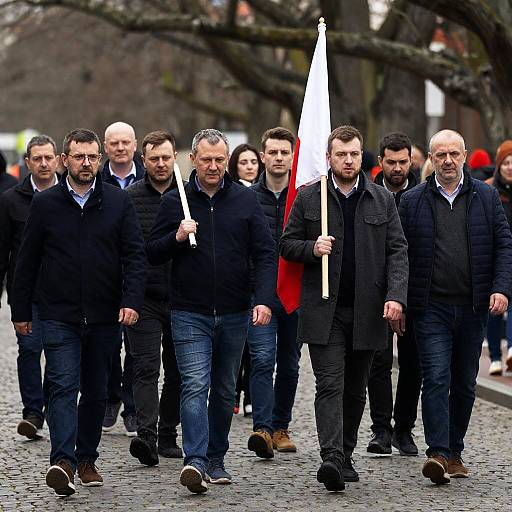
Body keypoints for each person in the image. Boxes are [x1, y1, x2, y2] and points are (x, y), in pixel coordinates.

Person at [10, 128, 146, 496]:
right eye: (78, 156)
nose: (86, 163)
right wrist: (20, 309)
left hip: (104, 315)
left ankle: (87, 459)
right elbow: (28, 260)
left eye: (91, 157)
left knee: (97, 390)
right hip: (58, 314)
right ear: (64, 160)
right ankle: (64, 461)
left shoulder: (118, 202)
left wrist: (131, 301)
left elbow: (134, 256)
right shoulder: (47, 203)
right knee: (62, 385)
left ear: (98, 160)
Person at [280, 125, 408, 492]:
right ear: (329, 157)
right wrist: (311, 248)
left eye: (354, 154)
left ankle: (346, 452)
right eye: (341, 154)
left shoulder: (381, 199)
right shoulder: (310, 198)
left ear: (362, 156)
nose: (348, 160)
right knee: (330, 383)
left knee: (355, 388)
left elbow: (397, 251)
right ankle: (331, 457)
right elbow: (286, 244)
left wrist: (396, 295)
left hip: (368, 311)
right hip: (325, 310)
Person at [147, 128, 275, 494]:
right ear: (193, 160)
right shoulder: (176, 201)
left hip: (235, 310)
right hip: (189, 311)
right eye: (207, 159)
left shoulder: (245, 201)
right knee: (194, 383)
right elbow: (152, 251)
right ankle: (195, 460)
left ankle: (217, 457)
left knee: (222, 390)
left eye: (220, 159)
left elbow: (265, 253)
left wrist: (263, 298)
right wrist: (176, 236)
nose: (214, 166)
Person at [399, 129, 512, 485]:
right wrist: (398, 300)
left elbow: (504, 246)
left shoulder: (486, 196)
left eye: (454, 154)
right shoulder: (413, 200)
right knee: (435, 377)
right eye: (440, 155)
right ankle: (438, 452)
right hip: (429, 307)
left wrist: (501, 289)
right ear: (430, 160)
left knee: (464, 383)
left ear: (465, 156)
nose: (447, 161)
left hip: (473, 306)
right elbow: (398, 254)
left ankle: (456, 451)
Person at [125, 131, 183, 466]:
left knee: (178, 371)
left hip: (183, 297)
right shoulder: (130, 198)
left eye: (166, 157)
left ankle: (167, 434)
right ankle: (146, 436)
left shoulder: (190, 196)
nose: (160, 164)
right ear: (143, 160)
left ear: (175, 156)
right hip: (143, 297)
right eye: (154, 158)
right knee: (145, 367)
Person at [246, 127, 301, 459]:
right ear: (263, 156)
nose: (279, 158)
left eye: (285, 152)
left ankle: (281, 426)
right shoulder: (248, 198)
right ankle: (263, 428)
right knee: (262, 358)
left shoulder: (305, 197)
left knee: (291, 364)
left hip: (295, 291)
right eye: (273, 152)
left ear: (292, 156)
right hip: (260, 293)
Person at [0, 135, 59, 439]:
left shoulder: (70, 195)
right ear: (28, 162)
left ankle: (49, 405)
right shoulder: (11, 200)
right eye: (37, 158)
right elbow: (2, 251)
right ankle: (33, 413)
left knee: (59, 350)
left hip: (64, 291)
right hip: (27, 291)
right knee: (29, 349)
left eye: (48, 157)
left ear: (58, 159)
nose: (44, 164)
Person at [366, 132, 422, 457]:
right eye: (392, 162)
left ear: (411, 160)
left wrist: (404, 295)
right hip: (376, 292)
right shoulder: (370, 195)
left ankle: (404, 428)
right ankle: (381, 429)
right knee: (379, 361)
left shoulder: (420, 195)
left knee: (413, 364)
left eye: (403, 162)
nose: (398, 168)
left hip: (414, 292)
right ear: (382, 162)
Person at [101, 121, 144, 436]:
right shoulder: (92, 179)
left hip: (137, 271)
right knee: (106, 343)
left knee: (136, 345)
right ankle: (110, 396)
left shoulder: (147, 178)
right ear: (106, 147)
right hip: (102, 273)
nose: (119, 147)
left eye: (125, 142)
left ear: (134, 145)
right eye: (114, 143)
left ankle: (130, 404)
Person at [227, 143, 264, 416]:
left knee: (256, 349)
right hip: (236, 280)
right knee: (235, 348)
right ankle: (233, 393)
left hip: (257, 279)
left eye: (253, 161)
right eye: (244, 162)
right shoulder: (232, 195)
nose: (250, 166)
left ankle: (251, 395)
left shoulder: (262, 194)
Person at [485, 140, 512, 375]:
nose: (510, 167)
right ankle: (494, 356)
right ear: (499, 165)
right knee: (494, 307)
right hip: (493, 259)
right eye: (506, 162)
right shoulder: (488, 190)